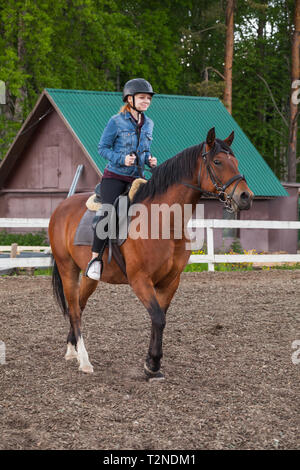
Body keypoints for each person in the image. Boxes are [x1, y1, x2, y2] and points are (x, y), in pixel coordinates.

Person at [85, 78, 157, 280]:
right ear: (129, 98)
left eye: (148, 98)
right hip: (115, 177)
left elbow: (144, 150)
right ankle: (95, 260)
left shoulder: (149, 123)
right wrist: (122, 159)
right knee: (108, 213)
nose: (146, 101)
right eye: (142, 97)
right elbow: (102, 148)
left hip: (138, 178)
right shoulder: (115, 121)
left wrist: (149, 160)